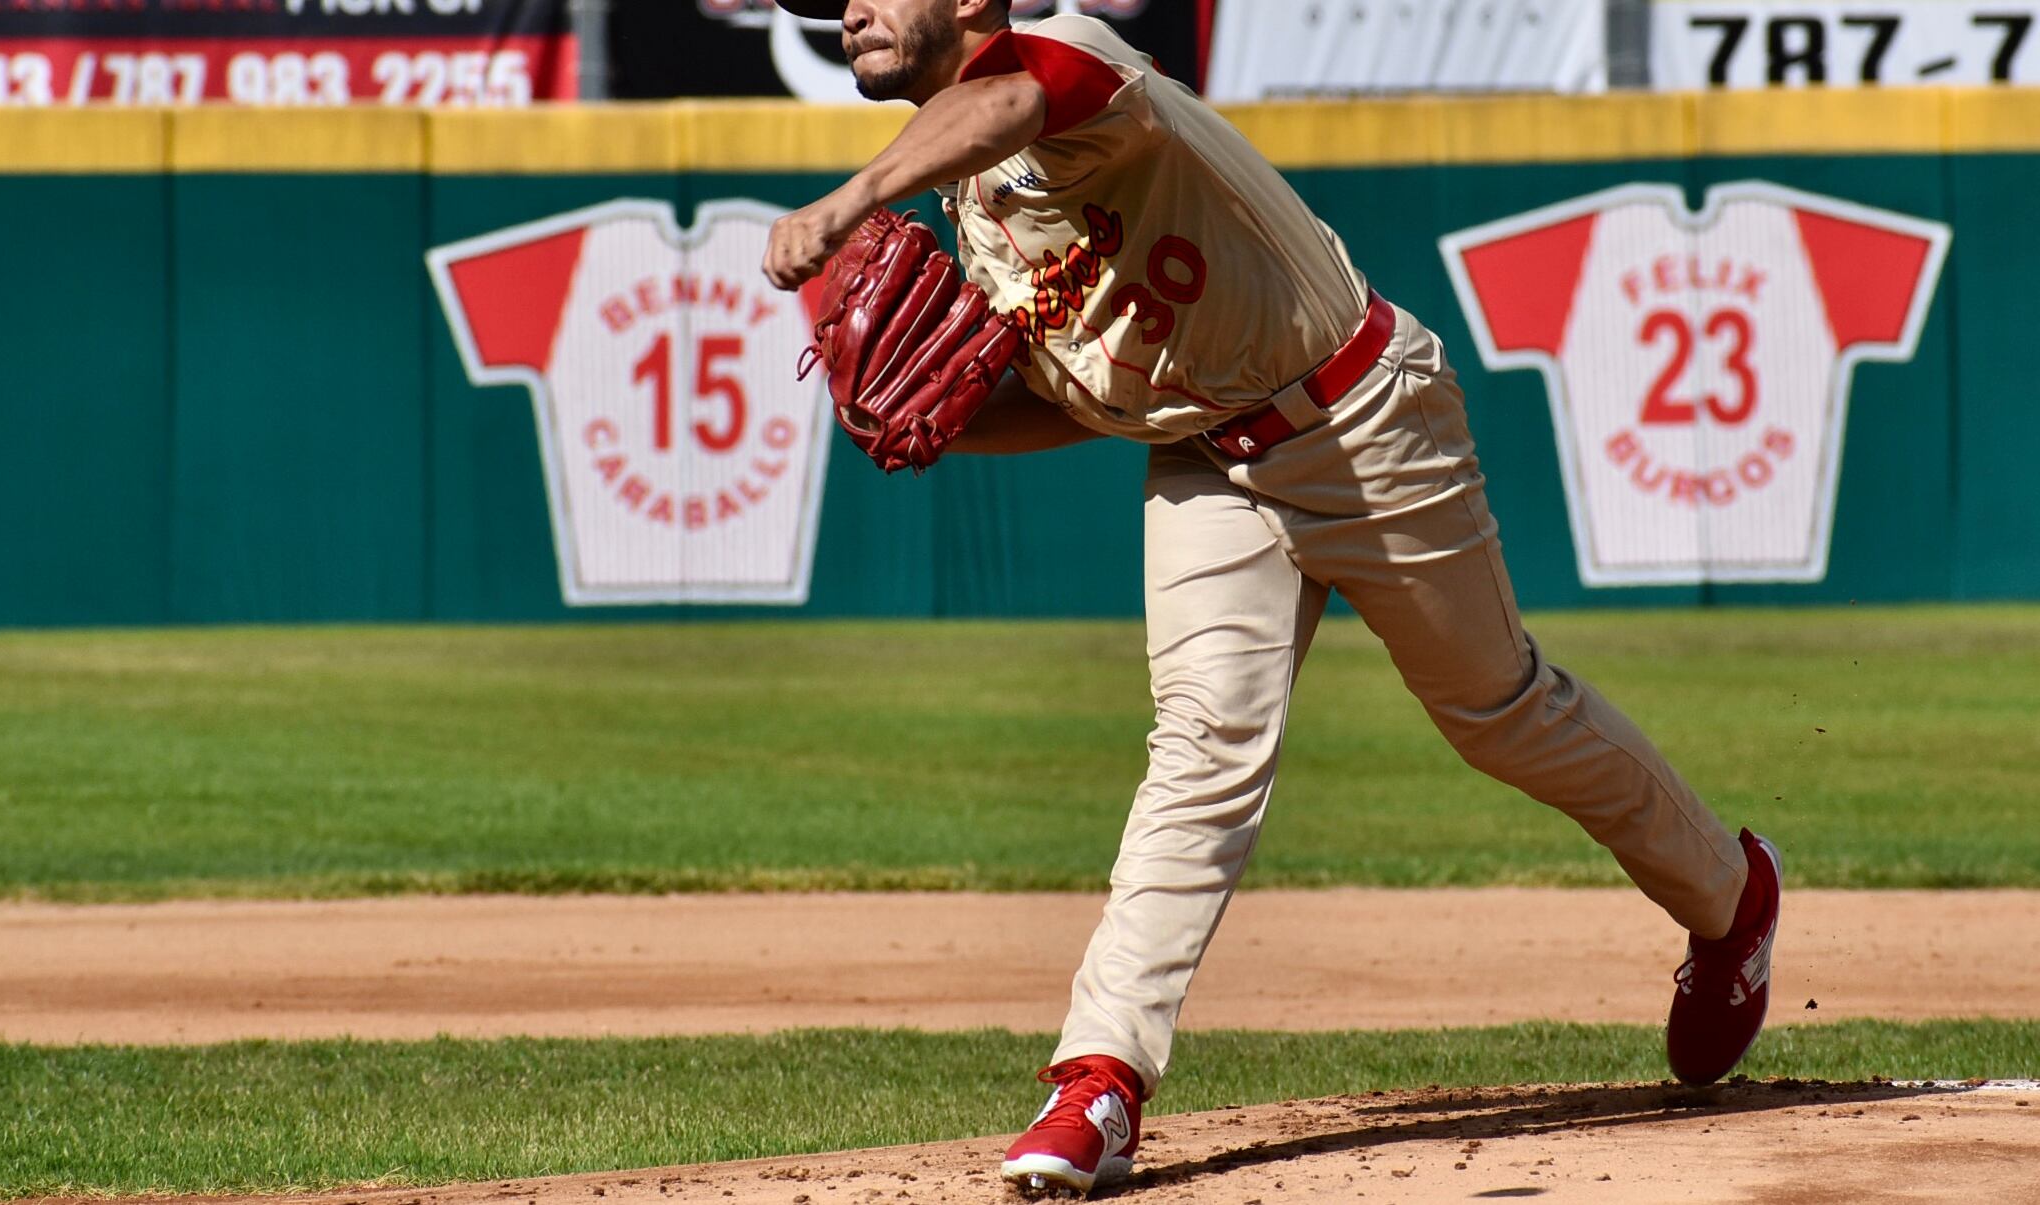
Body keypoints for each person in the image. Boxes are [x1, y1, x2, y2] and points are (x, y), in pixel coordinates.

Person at [760, 1, 1783, 1196]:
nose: (848, 11)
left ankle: (1730, 894)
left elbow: (1010, 101)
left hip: (1360, 416)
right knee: (1201, 744)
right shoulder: (981, 226)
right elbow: (1090, 402)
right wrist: (940, 428)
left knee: (1498, 710)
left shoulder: (1070, 60)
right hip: (1205, 454)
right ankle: (1098, 1081)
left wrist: (844, 202)